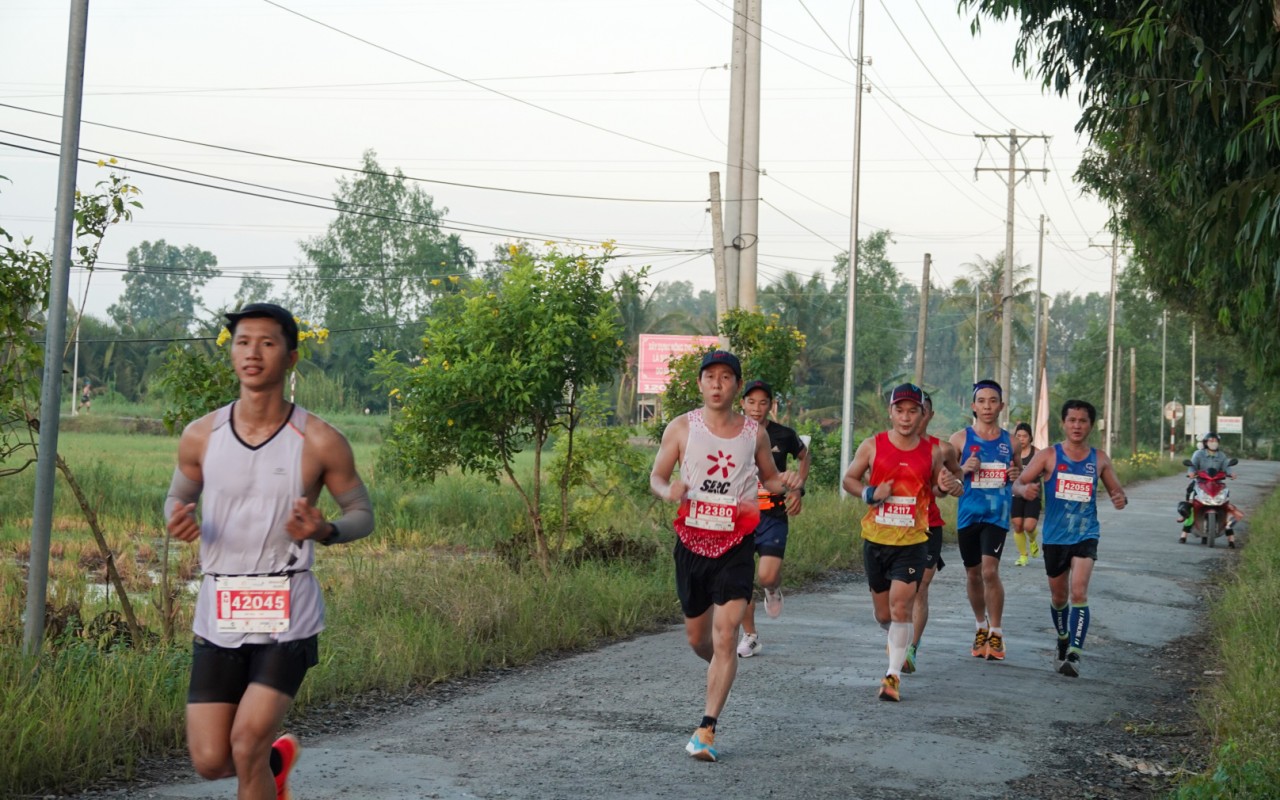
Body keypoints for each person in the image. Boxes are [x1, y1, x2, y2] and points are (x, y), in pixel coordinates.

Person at [164, 303, 375, 800]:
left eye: (267, 342)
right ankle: (276, 767)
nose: (252, 352)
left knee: (245, 743)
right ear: (232, 353)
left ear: (291, 357)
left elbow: (362, 513)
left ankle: (262, 757)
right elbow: (178, 494)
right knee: (211, 760)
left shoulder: (320, 439)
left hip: (288, 609)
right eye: (242, 342)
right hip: (219, 608)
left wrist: (325, 529)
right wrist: (177, 514)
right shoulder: (201, 434)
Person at [650, 350, 800, 762]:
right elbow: (657, 476)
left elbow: (769, 478)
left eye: (726, 377)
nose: (717, 384)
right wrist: (670, 491)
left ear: (736, 385)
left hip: (737, 545)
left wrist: (785, 482)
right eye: (710, 377)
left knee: (725, 635)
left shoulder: (754, 433)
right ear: (700, 384)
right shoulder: (681, 428)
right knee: (700, 639)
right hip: (692, 545)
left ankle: (706, 729)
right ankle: (719, 665)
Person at [843, 383, 959, 701]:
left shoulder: (933, 452)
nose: (906, 417)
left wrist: (948, 486)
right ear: (890, 412)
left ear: (922, 414)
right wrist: (870, 493)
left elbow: (937, 489)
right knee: (884, 614)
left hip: (913, 541)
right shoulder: (872, 446)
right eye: (900, 410)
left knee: (900, 606)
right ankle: (897, 636)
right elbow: (849, 479)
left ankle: (892, 676)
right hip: (876, 538)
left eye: (912, 411)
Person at [1012, 399, 1127, 677]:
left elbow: (1116, 489)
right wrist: (1022, 491)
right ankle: (1063, 637)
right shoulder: (1049, 456)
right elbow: (1018, 482)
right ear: (1063, 423)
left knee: (1078, 592)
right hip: (1054, 536)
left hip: (1086, 534)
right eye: (1072, 420)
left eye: (1083, 421)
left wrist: (1119, 497)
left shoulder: (1099, 459)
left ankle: (1075, 652)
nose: (1077, 425)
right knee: (1059, 595)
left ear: (1091, 425)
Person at [735, 379, 810, 658]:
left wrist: (798, 488)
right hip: (739, 517)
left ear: (771, 405)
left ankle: (773, 587)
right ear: (742, 403)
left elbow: (804, 456)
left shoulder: (783, 435)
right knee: (740, 580)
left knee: (766, 575)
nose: (756, 408)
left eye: (763, 402)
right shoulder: (732, 432)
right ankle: (751, 636)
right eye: (751, 402)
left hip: (773, 515)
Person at [948, 379, 1021, 662]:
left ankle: (998, 633)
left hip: (997, 515)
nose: (988, 406)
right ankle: (981, 626)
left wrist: (1016, 477)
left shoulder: (1011, 442)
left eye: (993, 401)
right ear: (973, 406)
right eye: (982, 401)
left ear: (1001, 406)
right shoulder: (959, 440)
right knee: (973, 574)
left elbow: (1018, 475)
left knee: (990, 572)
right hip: (968, 515)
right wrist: (964, 469)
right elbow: (947, 480)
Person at [902, 391, 963, 675]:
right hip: (896, 527)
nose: (916, 416)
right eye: (910, 410)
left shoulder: (943, 449)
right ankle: (898, 638)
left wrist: (953, 483)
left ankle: (910, 649)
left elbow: (957, 477)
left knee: (920, 588)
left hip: (929, 526)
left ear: (929, 415)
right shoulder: (890, 445)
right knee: (899, 591)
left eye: (921, 410)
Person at [1178, 431, 1243, 547]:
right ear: (1206, 442)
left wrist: (1231, 474)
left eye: (1216, 441)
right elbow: (1192, 466)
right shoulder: (1198, 454)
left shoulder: (1222, 456)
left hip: (1217, 484)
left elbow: (1227, 468)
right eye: (1211, 441)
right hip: (1200, 482)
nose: (1213, 443)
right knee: (1191, 501)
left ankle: (1228, 531)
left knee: (1227, 503)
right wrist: (1192, 473)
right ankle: (1184, 528)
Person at [1010, 422, 1042, 567]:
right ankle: (1023, 555)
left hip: (1032, 494)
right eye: (1018, 436)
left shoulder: (1038, 454)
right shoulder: (1010, 453)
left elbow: (1047, 470)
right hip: (1015, 493)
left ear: (1030, 438)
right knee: (1017, 525)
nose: (1021, 439)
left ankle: (1033, 540)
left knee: (1029, 526)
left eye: (1024, 436)